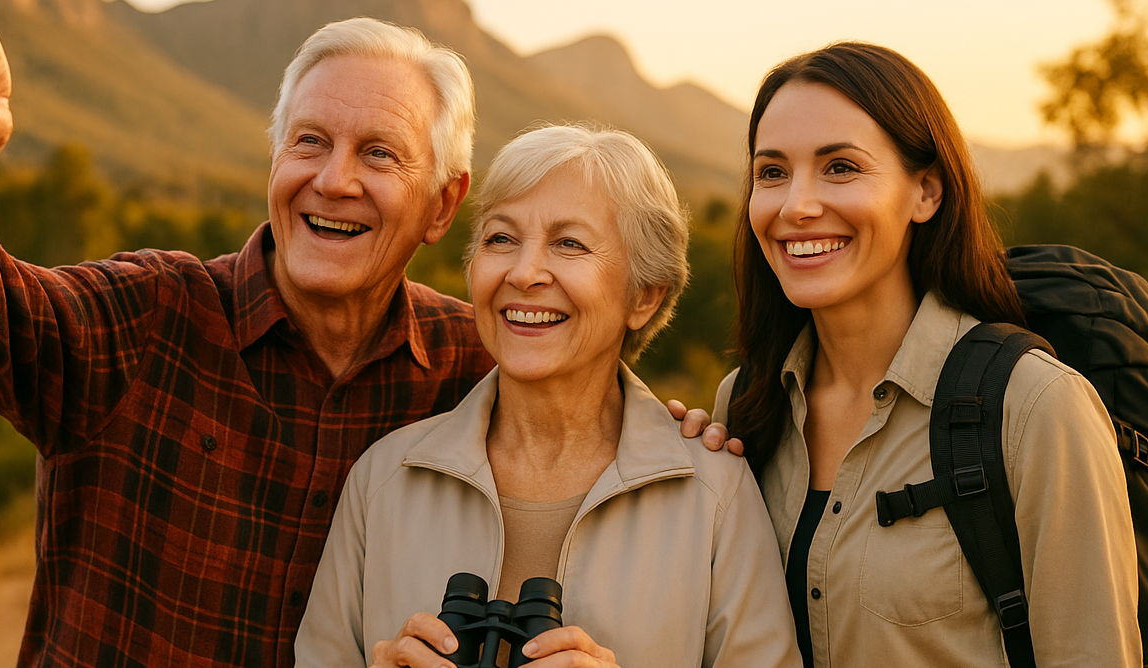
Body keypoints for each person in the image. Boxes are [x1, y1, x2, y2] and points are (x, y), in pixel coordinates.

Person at [0, 1, 718, 665]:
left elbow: (587, 412)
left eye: (379, 154)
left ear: (442, 205)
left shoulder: (476, 363)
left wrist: (680, 432)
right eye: (309, 143)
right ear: (274, 164)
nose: (332, 180)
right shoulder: (152, 315)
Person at [295, 124, 801, 668]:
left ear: (645, 298)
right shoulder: (383, 481)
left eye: (569, 244)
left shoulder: (715, 495)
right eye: (500, 239)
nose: (524, 272)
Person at [709, 43, 1140, 667]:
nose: (796, 205)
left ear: (926, 192)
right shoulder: (745, 405)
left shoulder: (1036, 407)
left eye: (840, 168)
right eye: (772, 172)